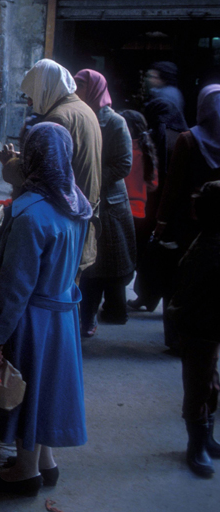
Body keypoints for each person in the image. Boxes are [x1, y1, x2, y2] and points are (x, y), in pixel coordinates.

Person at [0, 122, 92, 496]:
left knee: (25, 388)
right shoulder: (77, 203)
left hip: (31, 318)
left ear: (33, 156)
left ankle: (24, 472)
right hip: (62, 313)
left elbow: (15, 286)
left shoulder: (29, 214)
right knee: (45, 389)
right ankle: (45, 462)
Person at [1, 59, 101, 271]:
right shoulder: (83, 109)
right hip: (78, 215)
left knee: (51, 290)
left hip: (62, 219)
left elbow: (42, 178)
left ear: (46, 88)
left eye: (32, 96)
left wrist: (10, 162)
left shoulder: (58, 118)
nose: (29, 103)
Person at [155, 84, 220, 351]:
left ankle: (177, 336)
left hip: (187, 223)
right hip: (217, 225)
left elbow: (173, 186)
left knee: (180, 276)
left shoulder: (188, 139)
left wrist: (161, 222)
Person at [73, 70, 136, 336]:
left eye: (82, 86)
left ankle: (104, 313)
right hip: (85, 197)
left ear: (96, 89)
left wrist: (94, 178)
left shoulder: (115, 122)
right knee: (89, 268)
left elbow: (124, 164)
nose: (77, 91)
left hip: (109, 204)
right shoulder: (79, 116)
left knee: (108, 264)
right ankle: (87, 318)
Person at [165, 180, 220, 478]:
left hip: (205, 326)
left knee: (207, 382)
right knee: (200, 385)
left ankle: (204, 439)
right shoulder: (208, 245)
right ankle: (196, 444)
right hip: (200, 326)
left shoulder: (210, 243)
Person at [120, 110, 161, 312]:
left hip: (121, 209)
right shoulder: (147, 150)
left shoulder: (122, 148)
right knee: (134, 258)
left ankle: (115, 301)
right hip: (140, 212)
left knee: (119, 258)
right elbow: (153, 184)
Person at [142, 61, 188, 173]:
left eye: (152, 77)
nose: (148, 80)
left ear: (163, 79)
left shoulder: (163, 96)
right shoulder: (174, 92)